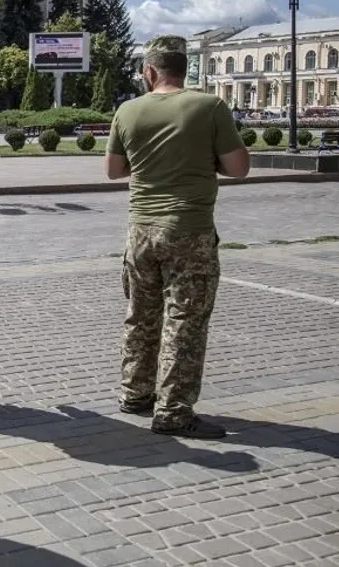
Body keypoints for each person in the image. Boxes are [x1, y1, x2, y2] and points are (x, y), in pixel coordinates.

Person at [103, 35, 251, 440]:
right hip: (189, 231)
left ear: (149, 72)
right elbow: (238, 168)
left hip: (140, 232)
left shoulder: (128, 110)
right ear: (184, 69)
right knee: (185, 321)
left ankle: (135, 394)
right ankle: (173, 411)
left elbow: (113, 170)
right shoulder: (209, 107)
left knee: (140, 316)